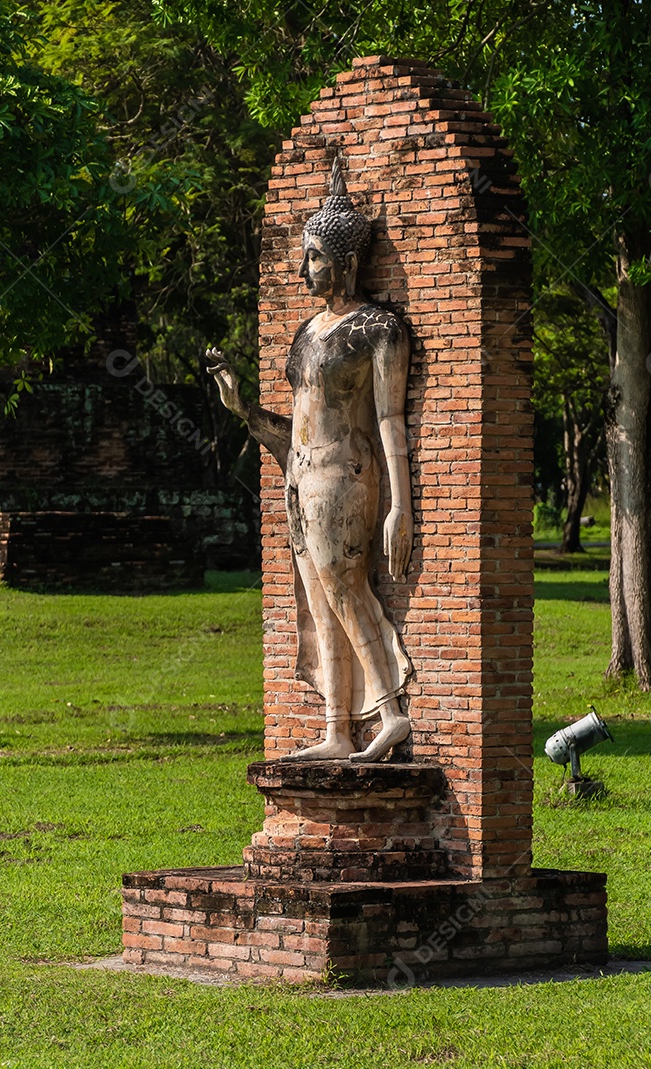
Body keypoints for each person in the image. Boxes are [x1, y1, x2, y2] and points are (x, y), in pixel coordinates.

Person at [207, 157, 414, 763]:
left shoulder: (379, 329)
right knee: (318, 597)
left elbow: (388, 420)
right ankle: (337, 729)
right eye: (305, 256)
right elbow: (290, 429)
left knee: (346, 587)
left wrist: (400, 505)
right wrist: (243, 407)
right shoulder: (307, 332)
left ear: (347, 261)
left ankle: (392, 711)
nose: (306, 269)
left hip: (346, 476)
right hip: (300, 476)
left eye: (317, 257)